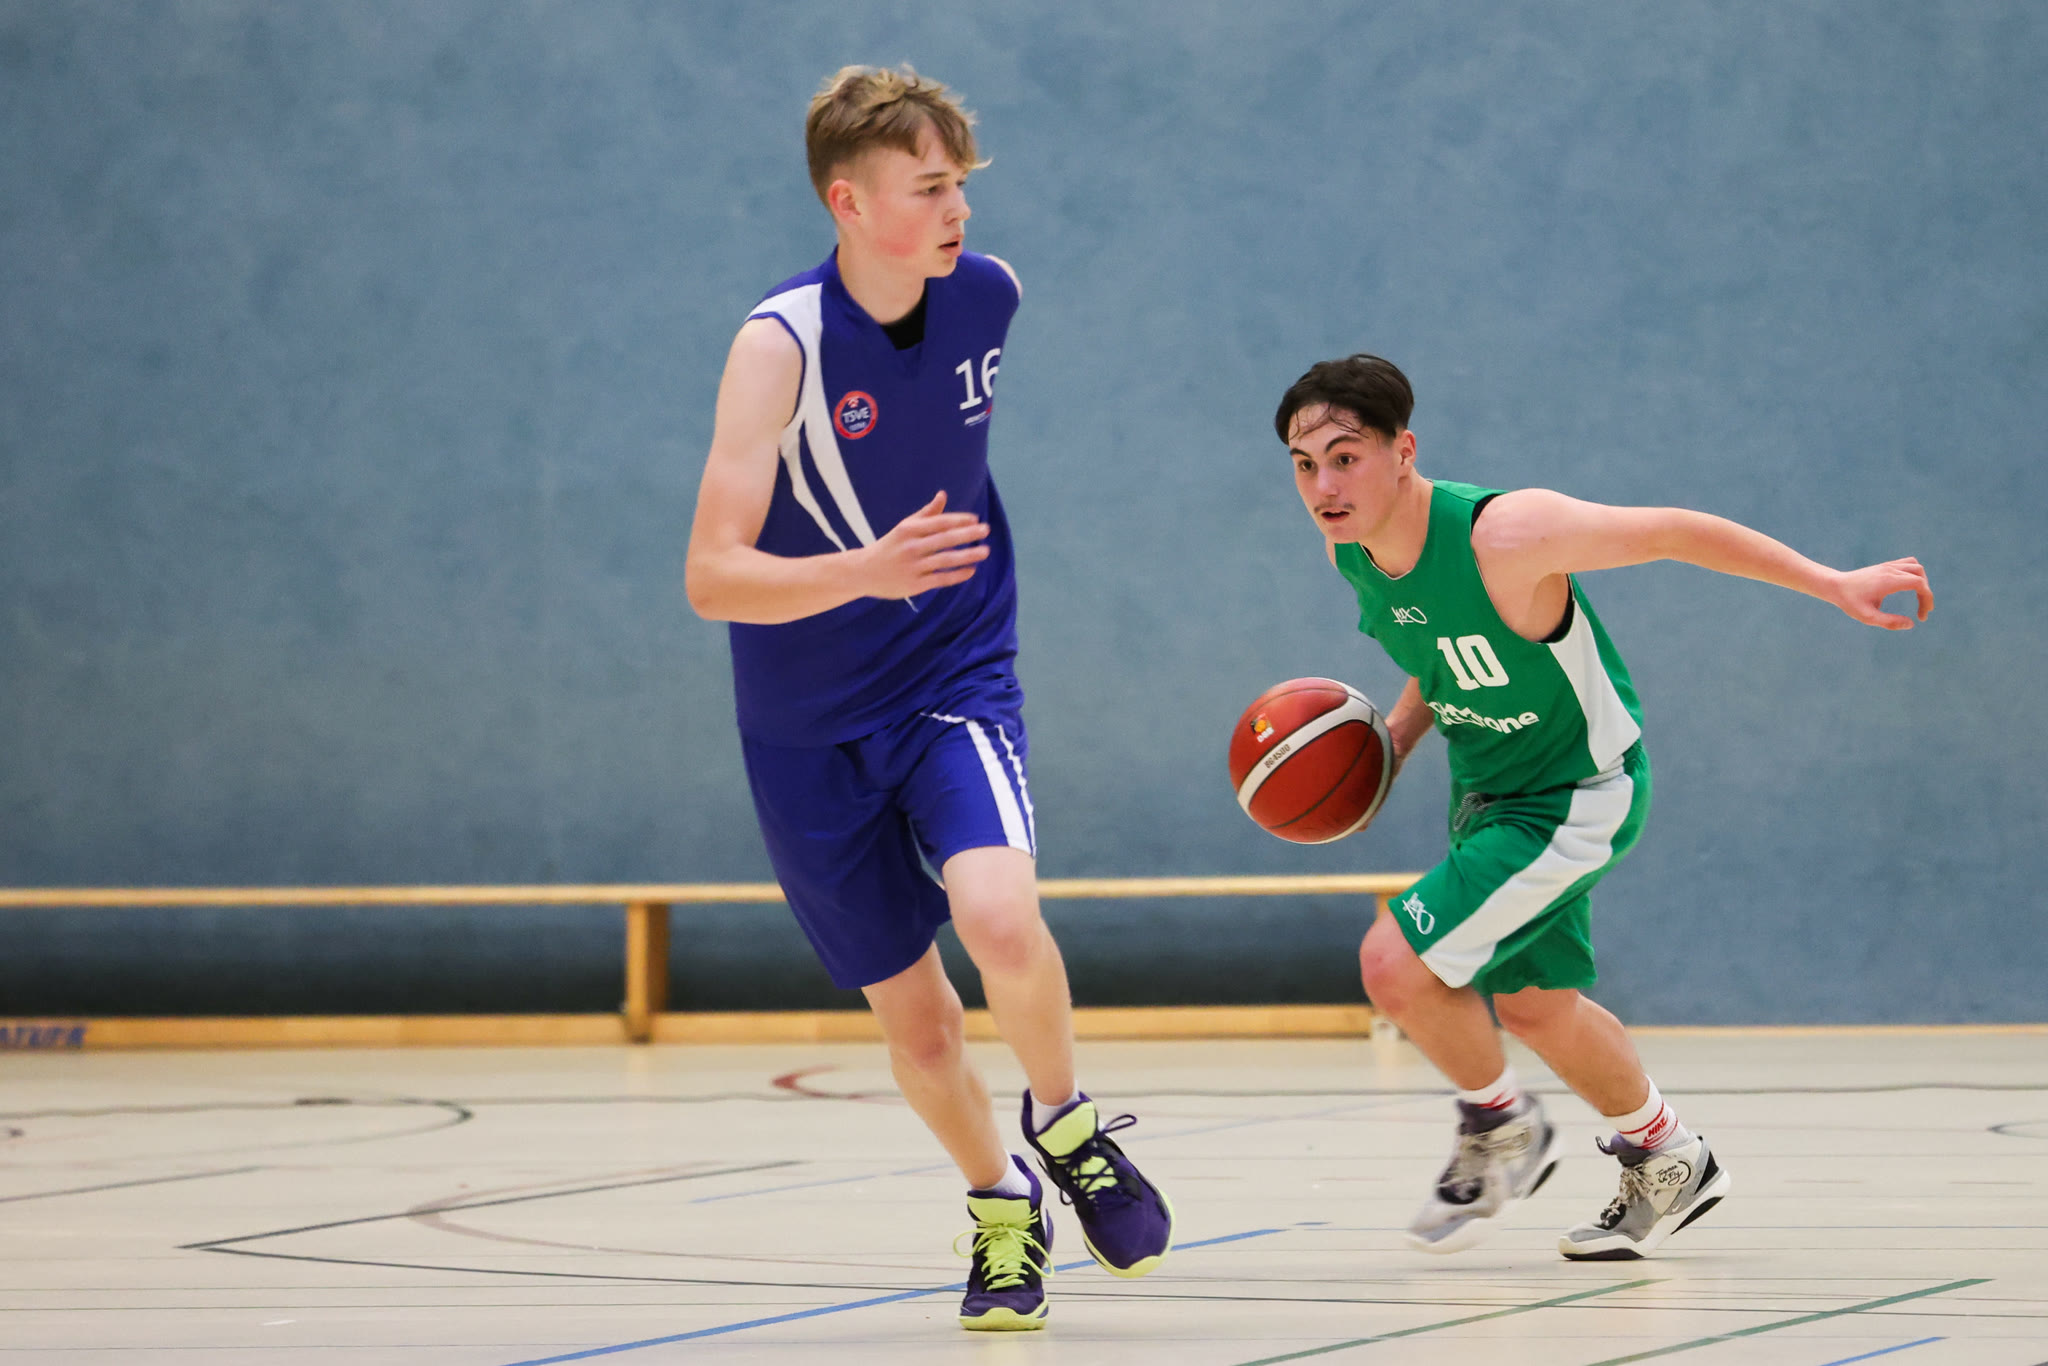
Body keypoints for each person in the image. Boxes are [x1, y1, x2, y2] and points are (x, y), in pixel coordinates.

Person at [684, 66, 1172, 1330]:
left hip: (950, 674)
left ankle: (1066, 1122)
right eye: (929, 187)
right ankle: (1001, 1207)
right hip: (804, 728)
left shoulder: (988, 297)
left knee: (1000, 914)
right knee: (918, 1025)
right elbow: (709, 576)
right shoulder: (779, 347)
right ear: (847, 203)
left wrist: (909, 584)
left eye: (962, 183)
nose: (958, 209)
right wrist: (862, 570)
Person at [1274, 353, 1932, 1259]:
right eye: (1305, 465)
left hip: (1576, 796)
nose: (1324, 486)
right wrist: (1394, 739)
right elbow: (1439, 655)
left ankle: (1500, 1124)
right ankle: (1669, 1156)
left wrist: (1830, 581)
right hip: (1490, 797)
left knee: (1394, 965)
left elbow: (1672, 531)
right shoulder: (1351, 550)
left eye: (1345, 458)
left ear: (1404, 452)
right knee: (1538, 1008)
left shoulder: (1508, 534)